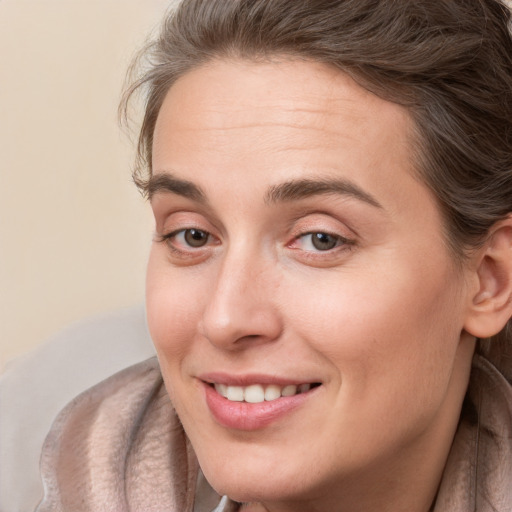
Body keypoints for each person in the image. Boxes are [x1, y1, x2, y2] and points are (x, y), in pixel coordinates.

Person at [35, 0, 512, 511]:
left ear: (489, 280)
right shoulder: (32, 445)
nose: (225, 319)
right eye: (192, 236)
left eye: (319, 239)